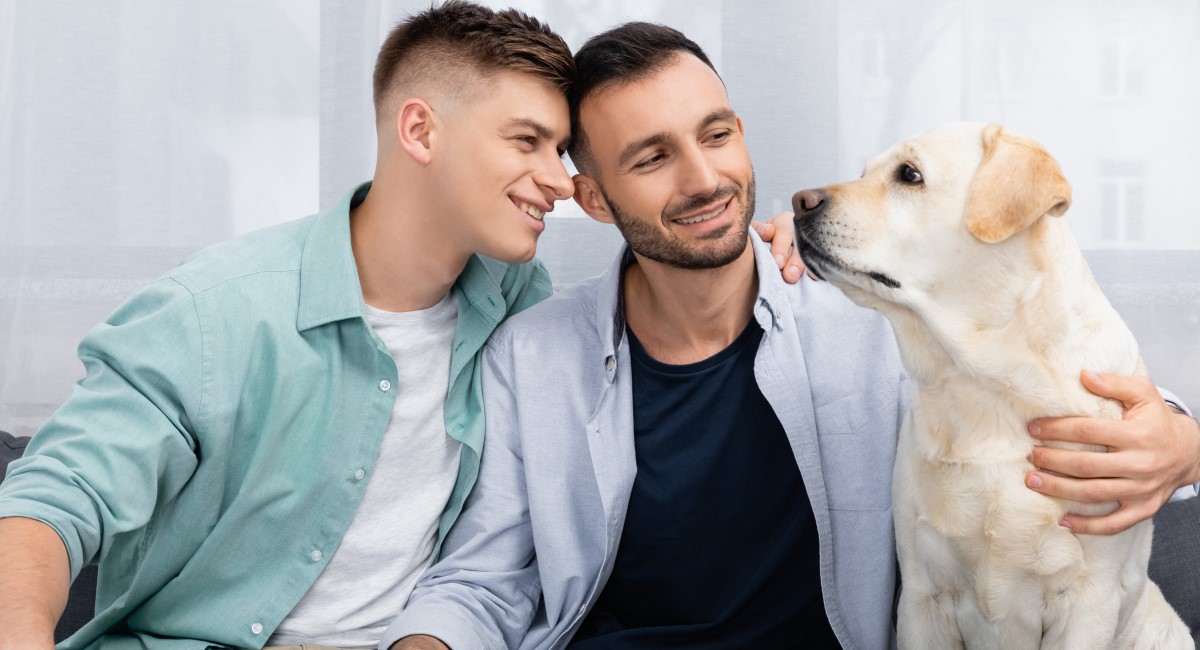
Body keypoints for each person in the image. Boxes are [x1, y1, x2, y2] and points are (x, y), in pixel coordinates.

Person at [384, 22, 1200, 649]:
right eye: (652, 158)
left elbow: (1042, 379)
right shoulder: (533, 358)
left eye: (716, 133)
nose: (705, 178)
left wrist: (1183, 442)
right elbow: (482, 579)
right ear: (594, 200)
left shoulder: (871, 311)